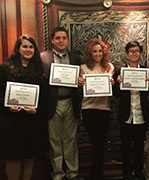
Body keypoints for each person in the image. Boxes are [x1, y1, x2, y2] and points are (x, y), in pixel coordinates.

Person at [0, 35, 49, 180]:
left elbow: (44, 97)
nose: (28, 50)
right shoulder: (5, 68)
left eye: (31, 47)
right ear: (18, 49)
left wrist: (37, 110)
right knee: (13, 157)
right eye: (25, 46)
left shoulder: (40, 70)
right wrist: (7, 106)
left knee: (29, 156)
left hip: (31, 121)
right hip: (11, 122)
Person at [40, 27, 82, 180]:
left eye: (64, 38)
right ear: (52, 40)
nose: (61, 41)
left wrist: (80, 82)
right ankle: (57, 173)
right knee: (55, 140)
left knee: (70, 139)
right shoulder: (43, 57)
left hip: (70, 103)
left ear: (68, 40)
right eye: (58, 38)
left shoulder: (75, 57)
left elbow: (80, 79)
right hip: (53, 104)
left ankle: (73, 173)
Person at [113, 41, 149, 180]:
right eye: (131, 51)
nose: (134, 54)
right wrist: (118, 83)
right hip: (126, 114)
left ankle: (139, 172)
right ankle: (127, 173)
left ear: (141, 54)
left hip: (141, 113)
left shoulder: (146, 70)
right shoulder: (119, 72)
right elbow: (116, 94)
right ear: (126, 54)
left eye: (136, 51)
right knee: (125, 147)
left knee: (139, 146)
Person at [78, 38, 114, 180]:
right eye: (95, 51)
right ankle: (96, 176)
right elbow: (80, 91)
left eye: (100, 51)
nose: (98, 54)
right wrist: (80, 83)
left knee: (100, 144)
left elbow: (114, 89)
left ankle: (97, 175)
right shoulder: (83, 68)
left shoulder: (110, 67)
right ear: (90, 53)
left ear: (104, 52)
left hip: (105, 110)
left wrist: (112, 83)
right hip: (89, 109)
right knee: (96, 143)